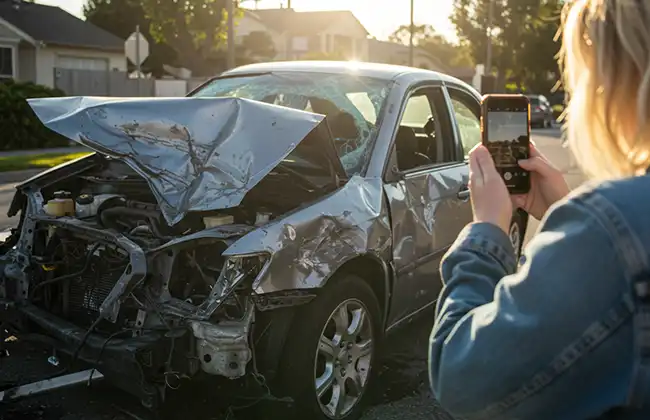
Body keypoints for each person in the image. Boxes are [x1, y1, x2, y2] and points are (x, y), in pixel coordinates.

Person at [429, 1, 650, 419]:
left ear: (620, 75)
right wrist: (566, 211)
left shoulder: (611, 226)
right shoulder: (613, 224)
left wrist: (488, 229)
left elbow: (461, 378)